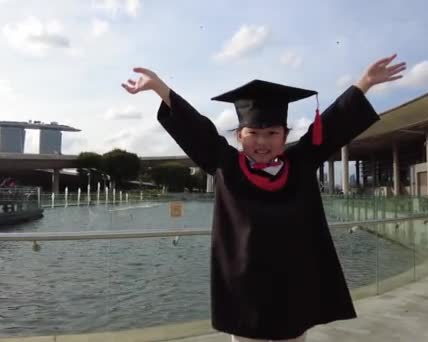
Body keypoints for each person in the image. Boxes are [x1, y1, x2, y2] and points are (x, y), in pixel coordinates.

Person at [122, 54, 405, 342]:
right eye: (253, 133)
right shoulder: (226, 165)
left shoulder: (301, 163)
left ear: (284, 136)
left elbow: (331, 126)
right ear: (239, 136)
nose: (262, 141)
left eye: (272, 133)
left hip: (293, 283)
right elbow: (199, 130)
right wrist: (161, 89)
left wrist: (365, 83)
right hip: (244, 288)